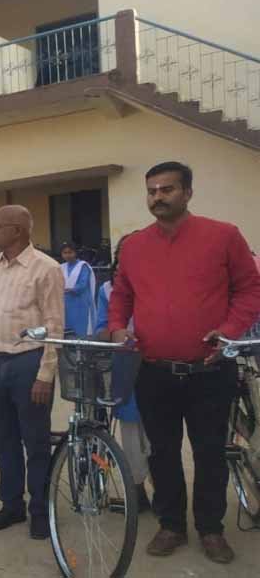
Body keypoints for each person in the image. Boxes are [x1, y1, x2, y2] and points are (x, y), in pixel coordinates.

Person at [108, 162, 260, 564]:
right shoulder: (135, 246)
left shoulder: (223, 236)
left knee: (210, 453)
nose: (158, 197)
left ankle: (211, 529)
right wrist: (117, 327)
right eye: (152, 191)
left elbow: (250, 289)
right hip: (154, 370)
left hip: (210, 370)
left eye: (167, 189)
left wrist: (229, 331)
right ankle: (171, 524)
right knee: (162, 452)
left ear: (188, 193)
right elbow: (122, 294)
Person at [0, 205, 65, 540]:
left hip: (28, 362)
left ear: (17, 230)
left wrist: (45, 374)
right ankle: (12, 504)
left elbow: (55, 325)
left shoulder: (46, 268)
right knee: (3, 439)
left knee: (36, 441)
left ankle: (41, 510)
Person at [95, 234, 152, 513]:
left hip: (155, 362)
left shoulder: (156, 283)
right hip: (124, 365)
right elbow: (100, 328)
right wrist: (115, 332)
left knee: (157, 431)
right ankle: (137, 490)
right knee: (130, 430)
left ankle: (164, 491)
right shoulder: (107, 289)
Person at [60, 242, 96, 336]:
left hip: (80, 300)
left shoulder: (83, 266)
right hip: (66, 301)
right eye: (65, 253)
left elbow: (83, 283)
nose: (67, 255)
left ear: (75, 253)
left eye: (70, 252)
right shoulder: (61, 267)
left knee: (81, 327)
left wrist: (73, 289)